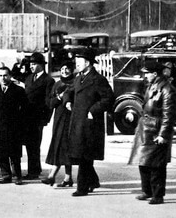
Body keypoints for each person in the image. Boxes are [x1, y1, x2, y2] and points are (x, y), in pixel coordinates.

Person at [65, 49, 114, 196]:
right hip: (78, 123)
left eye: (79, 63)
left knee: (84, 157)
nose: (77, 65)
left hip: (90, 125)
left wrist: (93, 110)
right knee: (81, 155)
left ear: (87, 63)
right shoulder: (78, 78)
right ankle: (93, 181)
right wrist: (67, 100)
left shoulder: (98, 80)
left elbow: (109, 99)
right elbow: (69, 90)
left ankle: (82, 188)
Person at [129, 61, 176, 205]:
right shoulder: (151, 86)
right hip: (146, 128)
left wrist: (163, 135)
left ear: (155, 74)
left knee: (157, 165)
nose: (145, 76)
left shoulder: (168, 90)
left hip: (156, 130)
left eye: (147, 73)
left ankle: (158, 195)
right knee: (143, 162)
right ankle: (147, 191)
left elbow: (168, 115)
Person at [43, 62, 76, 187]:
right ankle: (68, 178)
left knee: (64, 146)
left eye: (67, 68)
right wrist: (59, 97)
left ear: (72, 70)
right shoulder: (57, 84)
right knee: (61, 145)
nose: (64, 71)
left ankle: (52, 176)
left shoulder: (75, 83)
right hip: (59, 118)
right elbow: (50, 103)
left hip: (70, 117)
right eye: (62, 68)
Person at [0, 67, 27, 185]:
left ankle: (17, 176)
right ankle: (6, 175)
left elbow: (25, 108)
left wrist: (20, 123)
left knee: (14, 154)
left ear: (10, 75)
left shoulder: (18, 90)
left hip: (14, 126)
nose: (3, 78)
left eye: (5, 75)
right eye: (1, 75)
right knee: (0, 153)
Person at [22, 52, 55, 180]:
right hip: (26, 117)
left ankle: (33, 171)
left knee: (34, 145)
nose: (31, 66)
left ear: (41, 65)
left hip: (37, 118)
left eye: (34, 64)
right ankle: (35, 168)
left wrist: (45, 119)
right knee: (29, 145)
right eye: (30, 64)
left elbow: (48, 102)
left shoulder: (48, 81)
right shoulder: (29, 77)